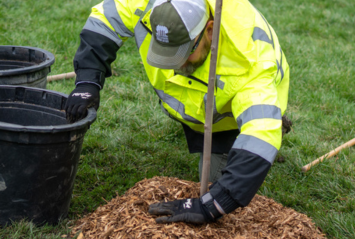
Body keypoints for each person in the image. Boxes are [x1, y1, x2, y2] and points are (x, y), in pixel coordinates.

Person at [65, 0, 289, 224]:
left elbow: (261, 136)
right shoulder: (149, 4)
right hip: (201, 98)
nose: (174, 63)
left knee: (217, 182)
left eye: (183, 51)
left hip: (227, 110)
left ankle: (256, 116)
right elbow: (104, 20)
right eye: (166, 50)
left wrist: (212, 206)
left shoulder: (250, 65)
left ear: (210, 30)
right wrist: (87, 81)